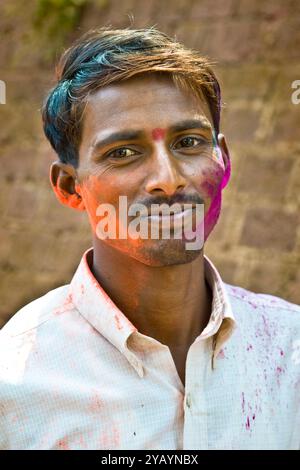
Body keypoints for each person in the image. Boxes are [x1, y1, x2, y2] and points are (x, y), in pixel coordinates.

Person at [0, 27, 299, 451]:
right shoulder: (13, 387)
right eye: (123, 152)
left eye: (190, 142)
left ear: (224, 160)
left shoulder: (290, 350)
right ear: (70, 186)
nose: (169, 180)